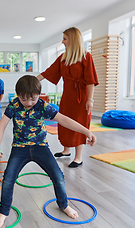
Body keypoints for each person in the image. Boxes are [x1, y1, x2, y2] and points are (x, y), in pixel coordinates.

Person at [0, 75, 96, 228]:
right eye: (24, 99)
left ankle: (63, 205)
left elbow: (64, 120)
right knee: (8, 179)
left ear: (38, 94)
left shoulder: (43, 106)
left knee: (58, 176)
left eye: (33, 99)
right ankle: (4, 212)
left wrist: (86, 131)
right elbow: (1, 125)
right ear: (18, 95)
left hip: (41, 147)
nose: (29, 103)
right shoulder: (13, 105)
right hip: (19, 149)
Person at [37, 27, 99, 168]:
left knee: (79, 124)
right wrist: (32, 81)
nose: (62, 41)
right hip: (67, 97)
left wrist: (90, 99)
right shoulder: (63, 58)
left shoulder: (86, 56)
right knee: (64, 123)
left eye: (65, 39)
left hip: (81, 98)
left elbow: (90, 80)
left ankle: (78, 157)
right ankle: (66, 150)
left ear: (72, 40)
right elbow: (48, 72)